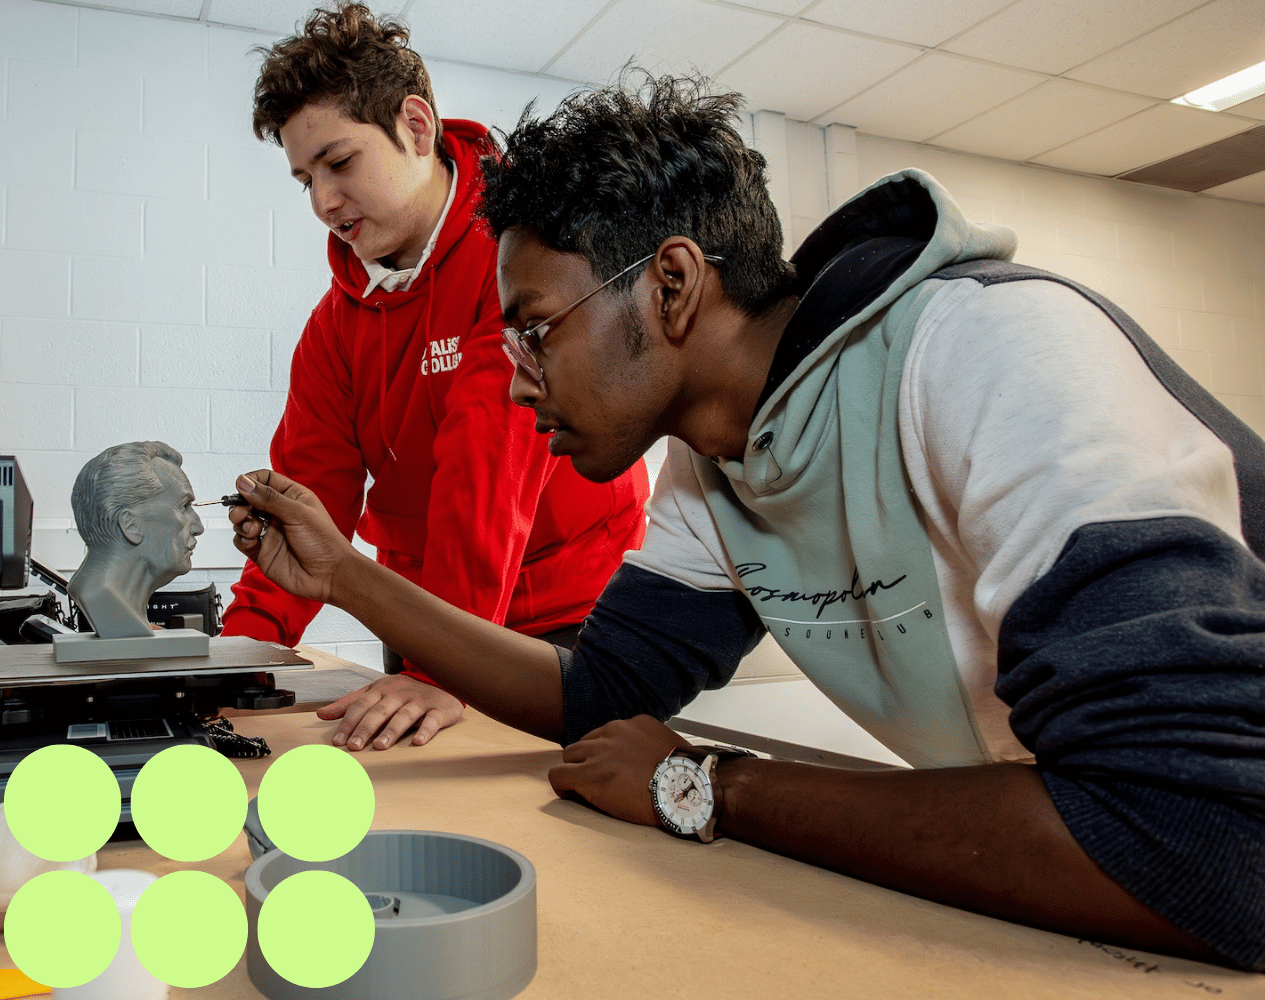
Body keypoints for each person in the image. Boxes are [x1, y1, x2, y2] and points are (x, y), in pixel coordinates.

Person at [222, 75, 1265, 970]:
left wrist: (707, 783)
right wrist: (343, 576)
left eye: (537, 331)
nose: (520, 380)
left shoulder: (991, 351)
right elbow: (599, 692)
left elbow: (1207, 843)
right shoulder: (714, 460)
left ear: (670, 285)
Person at [223, 2, 650, 750]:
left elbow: (485, 478)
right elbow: (307, 497)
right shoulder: (335, 325)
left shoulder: (517, 264)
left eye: (340, 162)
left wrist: (440, 667)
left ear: (416, 127)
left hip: (568, 617)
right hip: (427, 622)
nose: (323, 201)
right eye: (304, 179)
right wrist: (237, 654)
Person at [68, 441, 204, 638]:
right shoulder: (100, 598)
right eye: (184, 507)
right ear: (131, 525)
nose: (199, 527)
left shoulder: (115, 602)